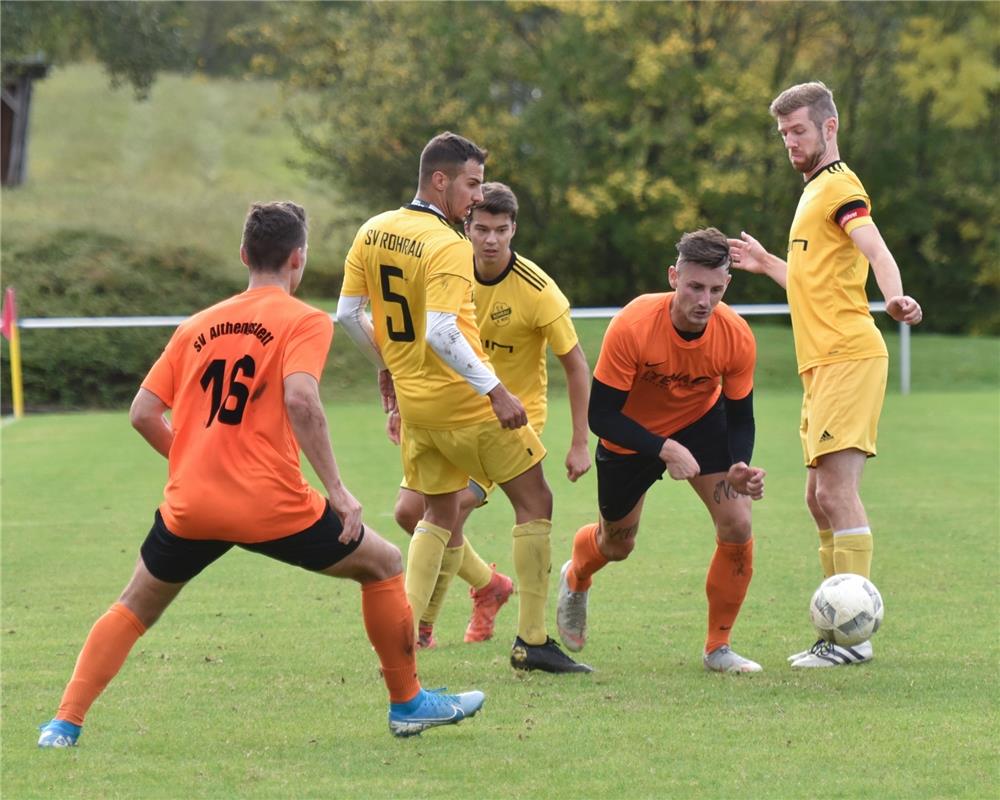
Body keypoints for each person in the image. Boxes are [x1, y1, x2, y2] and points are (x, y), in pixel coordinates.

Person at [37, 202, 484, 748]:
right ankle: (408, 704)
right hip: (269, 505)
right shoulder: (303, 321)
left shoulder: (197, 325)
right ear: (298, 259)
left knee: (132, 607)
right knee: (385, 564)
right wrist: (339, 491)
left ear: (244, 255)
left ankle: (64, 723)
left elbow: (142, 413)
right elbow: (302, 399)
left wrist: (191, 460)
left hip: (193, 503)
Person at [336, 134, 590, 673]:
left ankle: (402, 640)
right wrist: (495, 391)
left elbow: (346, 314)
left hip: (416, 406)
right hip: (466, 405)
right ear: (441, 181)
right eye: (472, 184)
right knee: (536, 502)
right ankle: (533, 641)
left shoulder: (374, 229)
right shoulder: (448, 243)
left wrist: (384, 366)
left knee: (437, 511)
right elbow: (442, 331)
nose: (477, 197)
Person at [727, 81, 922, 668]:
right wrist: (765, 264)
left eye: (799, 131)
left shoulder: (840, 185)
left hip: (848, 356)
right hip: (824, 363)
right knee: (817, 497)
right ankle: (841, 631)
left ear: (829, 128)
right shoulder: (814, 191)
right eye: (784, 133)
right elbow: (813, 284)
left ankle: (852, 638)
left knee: (836, 492)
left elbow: (876, 247)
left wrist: (895, 297)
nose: (790, 142)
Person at [388, 182, 592, 650]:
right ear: (467, 227)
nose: (491, 240)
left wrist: (580, 440)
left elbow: (576, 365)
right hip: (448, 412)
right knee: (407, 512)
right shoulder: (446, 269)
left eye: (501, 229)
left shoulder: (538, 290)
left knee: (449, 507)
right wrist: (403, 401)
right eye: (481, 228)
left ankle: (423, 625)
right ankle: (488, 585)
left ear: (514, 229)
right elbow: (418, 341)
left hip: (511, 420)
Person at [555, 227, 767, 674]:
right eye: (694, 286)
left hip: (702, 423)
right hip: (629, 435)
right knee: (617, 545)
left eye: (715, 289)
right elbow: (603, 417)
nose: (704, 300)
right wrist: (664, 448)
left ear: (726, 285)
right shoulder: (633, 325)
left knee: (738, 522)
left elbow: (741, 415)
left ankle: (718, 648)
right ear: (673, 277)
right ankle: (576, 575)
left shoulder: (736, 335)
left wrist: (739, 465)